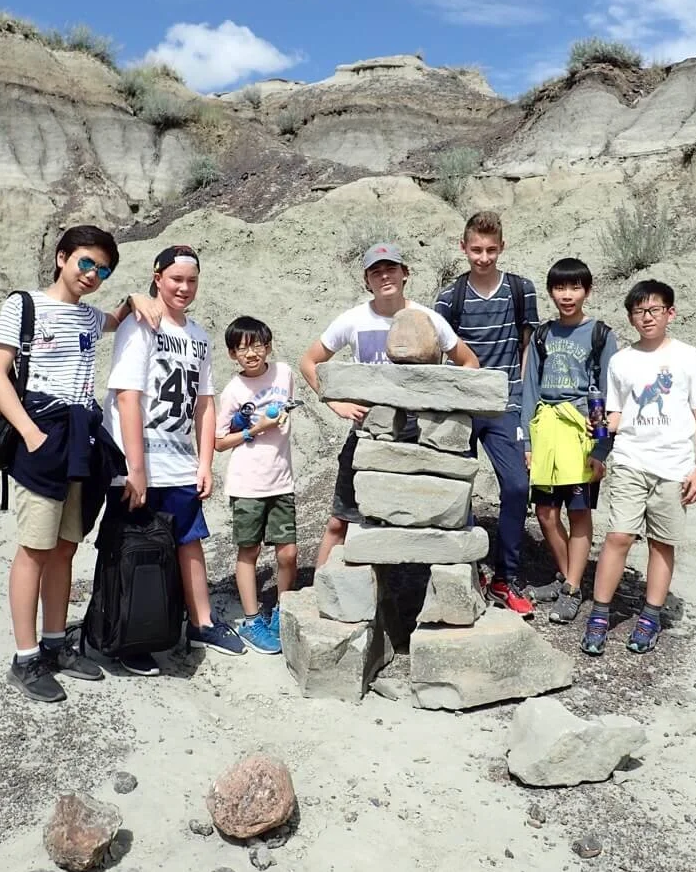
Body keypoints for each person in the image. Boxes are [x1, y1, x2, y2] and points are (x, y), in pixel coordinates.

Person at [0, 224, 136, 704]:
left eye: (103, 269)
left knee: (67, 546)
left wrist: (136, 299)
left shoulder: (91, 318)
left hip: (83, 438)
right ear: (62, 257)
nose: (93, 274)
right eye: (86, 263)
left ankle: (55, 643)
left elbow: (115, 318)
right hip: (42, 433)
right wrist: (29, 433)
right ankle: (26, 656)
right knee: (34, 547)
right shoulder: (24, 306)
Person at [102, 243, 245, 676]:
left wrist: (205, 463)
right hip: (139, 460)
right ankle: (128, 630)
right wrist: (135, 467)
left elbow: (204, 404)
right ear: (158, 276)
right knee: (133, 548)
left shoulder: (199, 338)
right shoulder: (140, 326)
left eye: (191, 281)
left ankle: (200, 621)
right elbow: (127, 397)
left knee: (189, 540)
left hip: (181, 460)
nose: (184, 287)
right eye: (176, 279)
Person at [300, 243, 479, 566]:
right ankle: (320, 593)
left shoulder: (427, 319)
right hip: (370, 432)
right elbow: (310, 362)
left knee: (439, 518)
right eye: (376, 271)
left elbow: (469, 363)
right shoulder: (353, 320)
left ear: (405, 273)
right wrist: (336, 402)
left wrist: (442, 403)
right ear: (367, 280)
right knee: (341, 520)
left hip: (420, 437)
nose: (384, 276)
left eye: (391, 268)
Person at [581, 279, 696, 656]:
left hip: (674, 466)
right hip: (630, 460)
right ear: (630, 317)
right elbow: (615, 413)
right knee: (618, 537)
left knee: (662, 542)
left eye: (654, 310)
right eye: (639, 311)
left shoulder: (689, 358)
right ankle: (600, 613)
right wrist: (598, 450)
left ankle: (650, 615)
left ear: (670, 313)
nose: (647, 317)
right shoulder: (622, 361)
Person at [434, 210, 538, 616]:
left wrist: (525, 407)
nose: (483, 257)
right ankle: (469, 566)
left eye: (491, 249)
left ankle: (504, 577)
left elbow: (526, 348)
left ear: (502, 247)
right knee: (458, 489)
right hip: (461, 406)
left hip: (504, 404)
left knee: (516, 487)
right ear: (463, 248)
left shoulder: (520, 290)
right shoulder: (449, 298)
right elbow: (442, 356)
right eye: (476, 249)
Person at [519, 257, 619, 624]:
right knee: (545, 513)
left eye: (575, 287)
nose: (567, 295)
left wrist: (602, 446)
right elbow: (529, 388)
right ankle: (568, 578)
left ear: (587, 291)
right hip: (546, 429)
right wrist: (527, 442)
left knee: (578, 512)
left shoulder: (601, 335)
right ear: (551, 292)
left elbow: (612, 394)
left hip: (581, 430)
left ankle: (573, 588)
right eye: (560, 287)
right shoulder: (544, 334)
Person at [214, 316, 298, 654]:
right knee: (249, 551)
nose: (251, 353)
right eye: (242, 348)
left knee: (289, 552)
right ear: (233, 354)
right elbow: (219, 441)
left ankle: (282, 610)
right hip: (248, 484)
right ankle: (252, 619)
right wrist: (257, 427)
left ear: (268, 345)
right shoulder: (233, 391)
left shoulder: (285, 374)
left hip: (282, 481)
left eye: (257, 344)